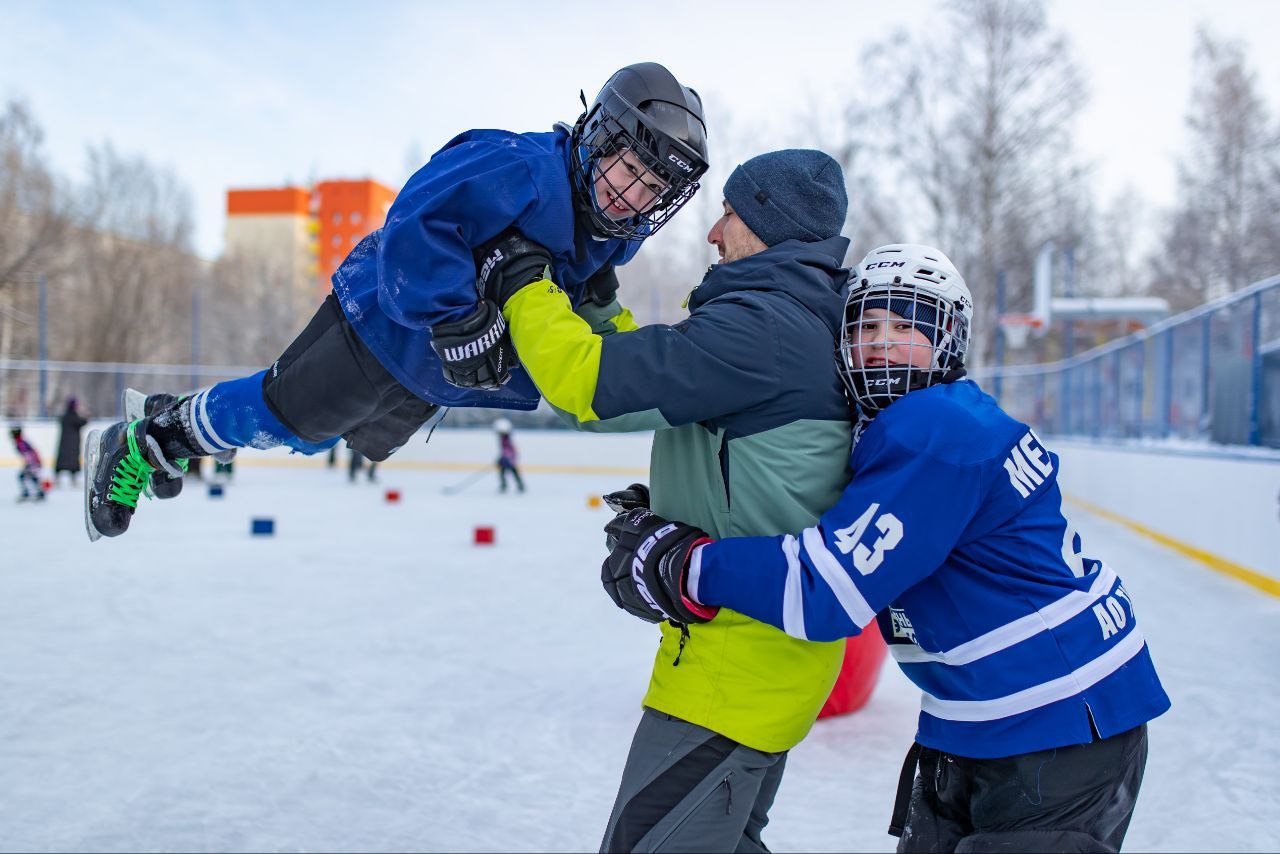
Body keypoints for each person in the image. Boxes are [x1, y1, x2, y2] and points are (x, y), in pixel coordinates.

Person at [600, 244, 1171, 853]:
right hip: (996, 717)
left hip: (1059, 725)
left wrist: (685, 564)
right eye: (867, 325)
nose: (882, 342)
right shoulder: (922, 419)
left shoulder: (934, 427)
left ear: (948, 338)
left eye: (907, 326)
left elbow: (829, 592)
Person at [82, 62, 709, 541]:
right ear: (600, 137)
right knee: (282, 414)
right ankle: (144, 440)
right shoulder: (519, 166)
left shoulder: (603, 239)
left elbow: (569, 302)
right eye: (629, 169)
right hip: (381, 327)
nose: (633, 194)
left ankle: (174, 421)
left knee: (308, 438)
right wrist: (454, 314)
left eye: (652, 188)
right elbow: (418, 218)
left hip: (429, 375)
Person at [479, 149, 853, 852]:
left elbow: (588, 387)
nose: (714, 233)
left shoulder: (761, 329)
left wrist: (523, 280)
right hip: (761, 667)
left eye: (732, 214)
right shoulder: (795, 319)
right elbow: (657, 378)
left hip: (731, 679)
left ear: (771, 226)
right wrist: (595, 301)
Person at [54, 397, 89, 485]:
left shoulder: (64, 416)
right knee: (73, 461)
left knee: (62, 460)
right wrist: (86, 414)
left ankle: (57, 478)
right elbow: (83, 422)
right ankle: (73, 479)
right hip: (73, 443)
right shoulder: (74, 416)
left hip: (64, 442)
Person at [10, 426, 46, 502]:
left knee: (24, 477)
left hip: (33, 463)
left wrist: (31, 465)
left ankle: (31, 493)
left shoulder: (20, 443)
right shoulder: (21, 442)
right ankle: (38, 492)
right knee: (29, 477)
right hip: (33, 463)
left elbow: (28, 454)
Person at [493, 417, 524, 493]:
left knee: (510, 471)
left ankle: (516, 486)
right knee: (510, 472)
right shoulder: (504, 438)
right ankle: (518, 485)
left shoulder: (505, 439)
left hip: (509, 459)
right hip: (509, 458)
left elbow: (508, 449)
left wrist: (503, 458)